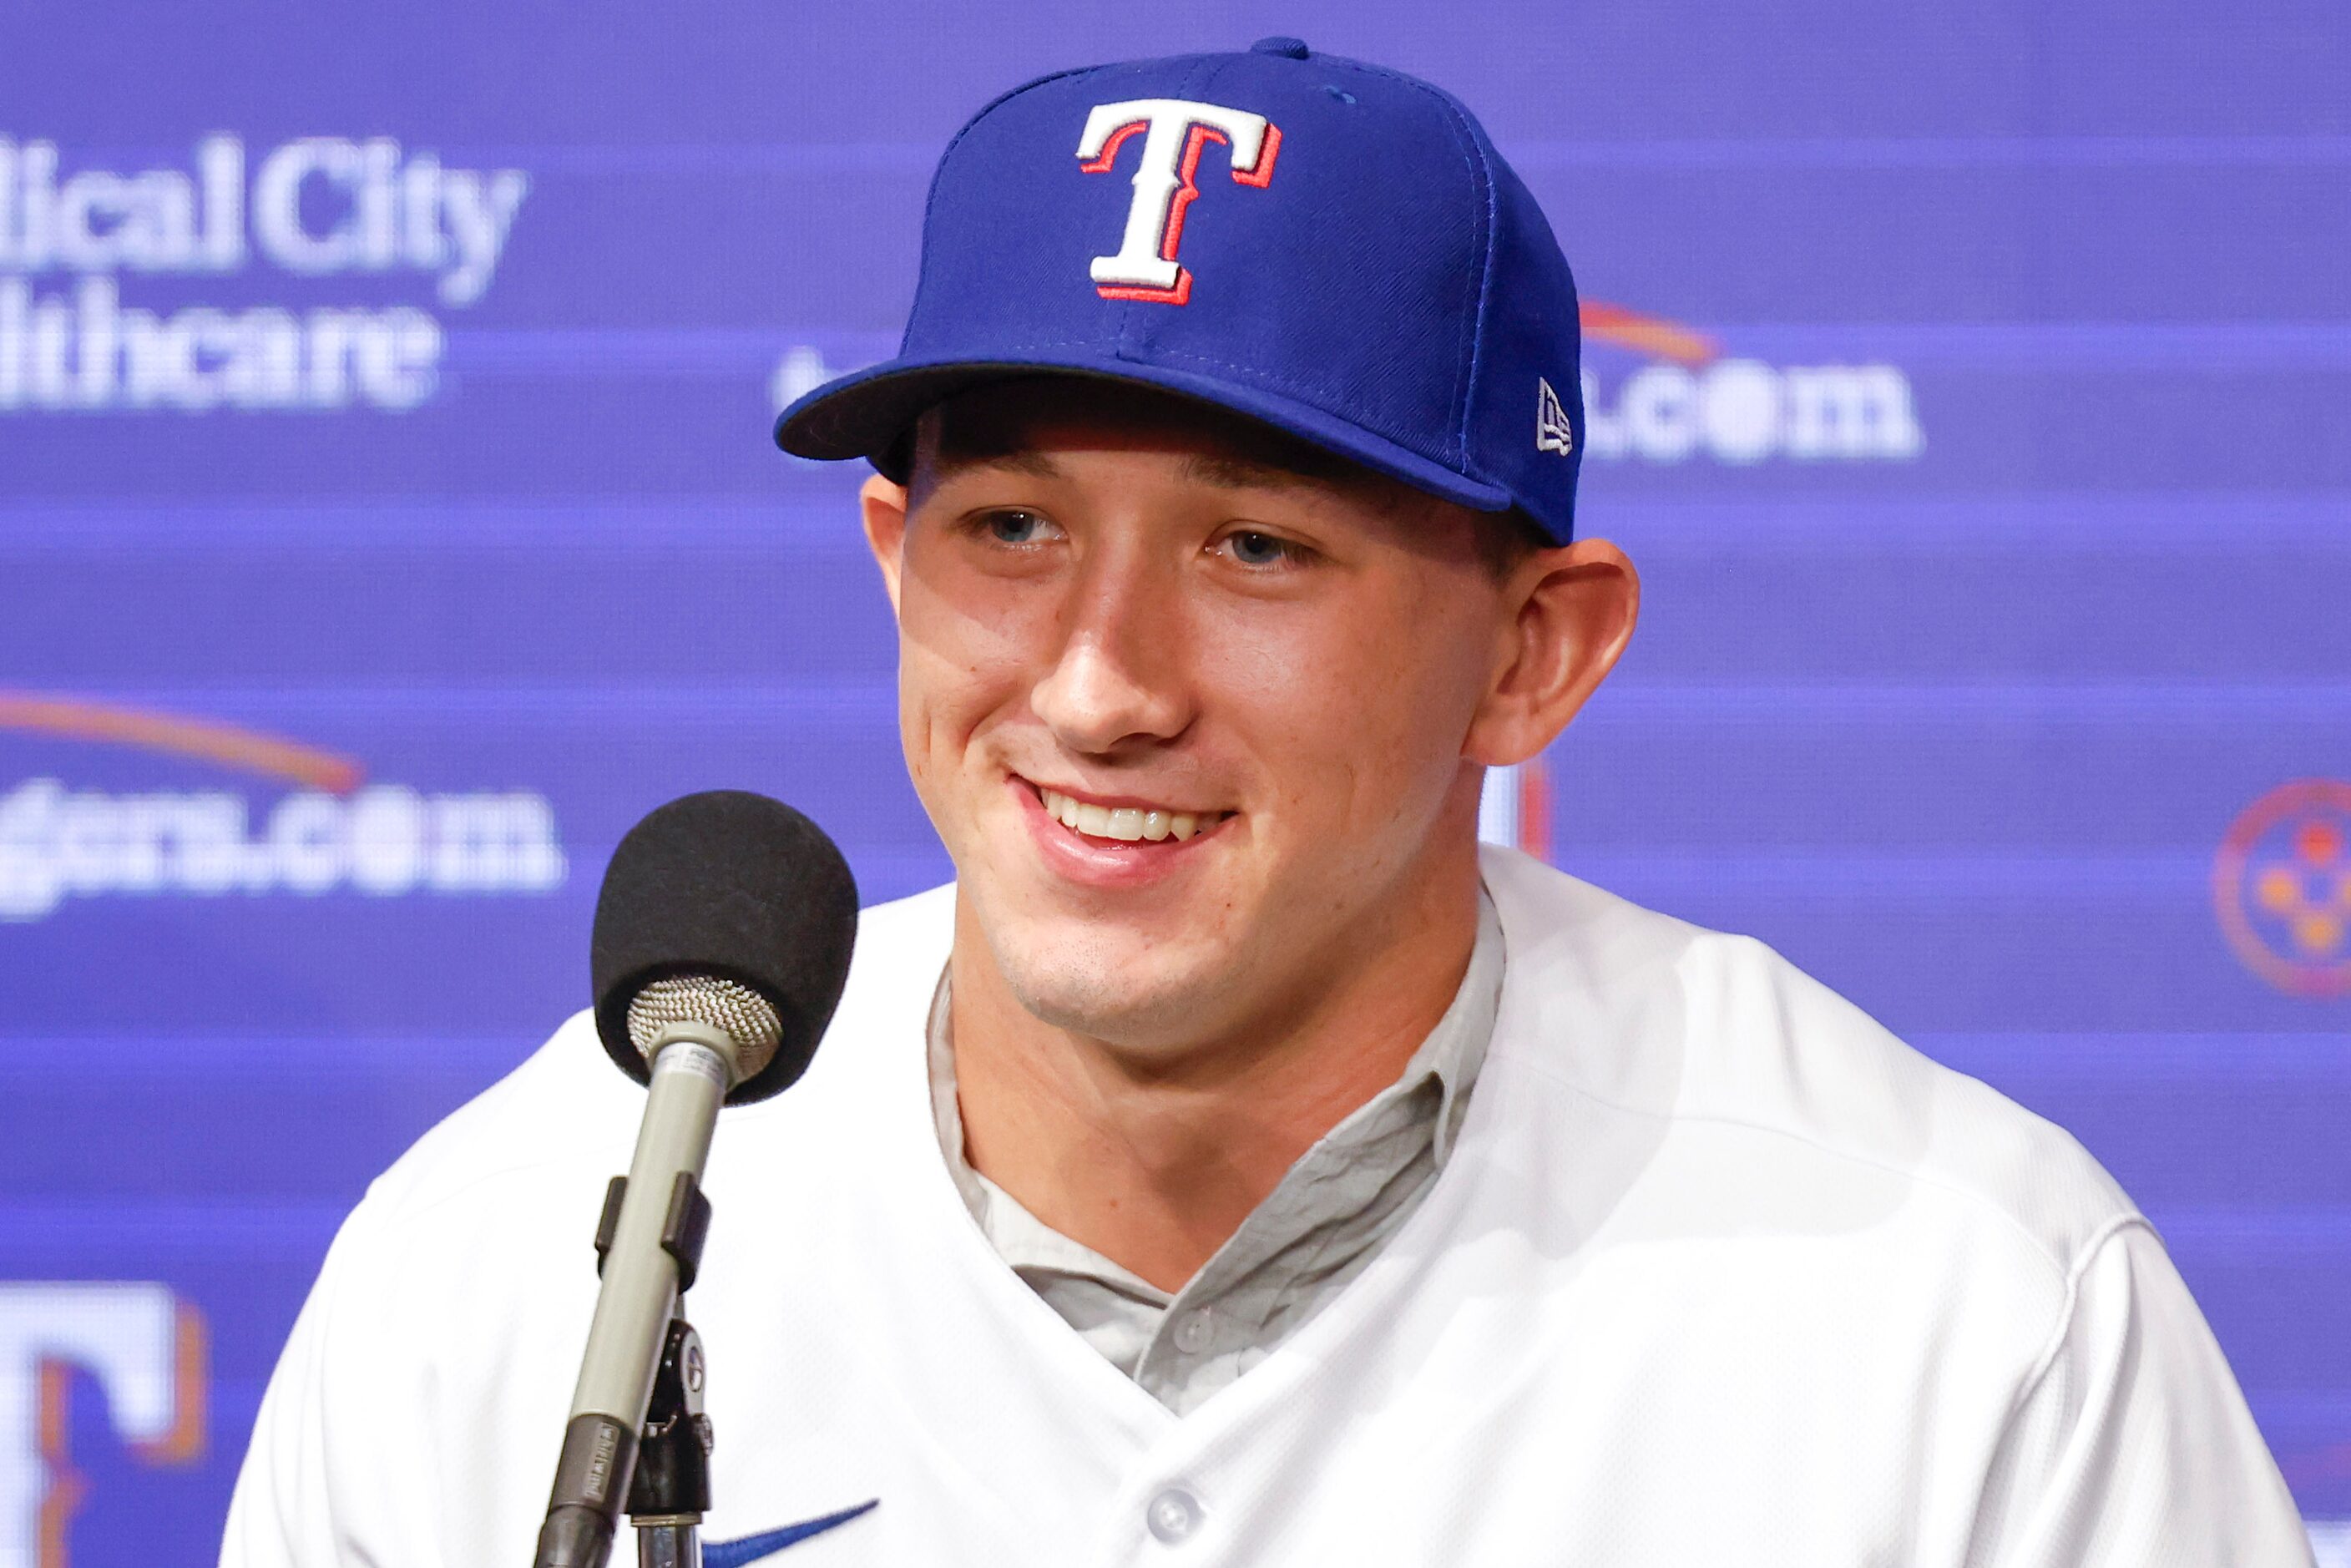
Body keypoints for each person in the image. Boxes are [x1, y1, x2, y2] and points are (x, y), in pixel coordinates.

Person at [223, 38, 2312, 1567]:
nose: (1099, 684)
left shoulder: (1960, 1307)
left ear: (1536, 653)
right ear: (887, 558)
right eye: (1014, 527)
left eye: (1257, 552)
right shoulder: (499, 1275)